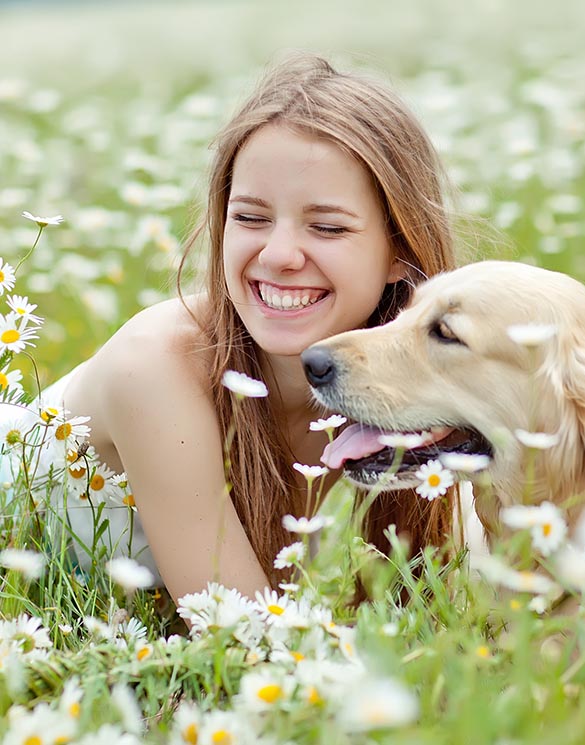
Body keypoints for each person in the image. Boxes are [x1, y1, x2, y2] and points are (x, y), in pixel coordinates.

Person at [42, 53, 459, 603]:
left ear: (399, 252)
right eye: (251, 218)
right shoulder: (153, 367)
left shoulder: (411, 378)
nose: (279, 254)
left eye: (328, 227)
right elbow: (242, 640)